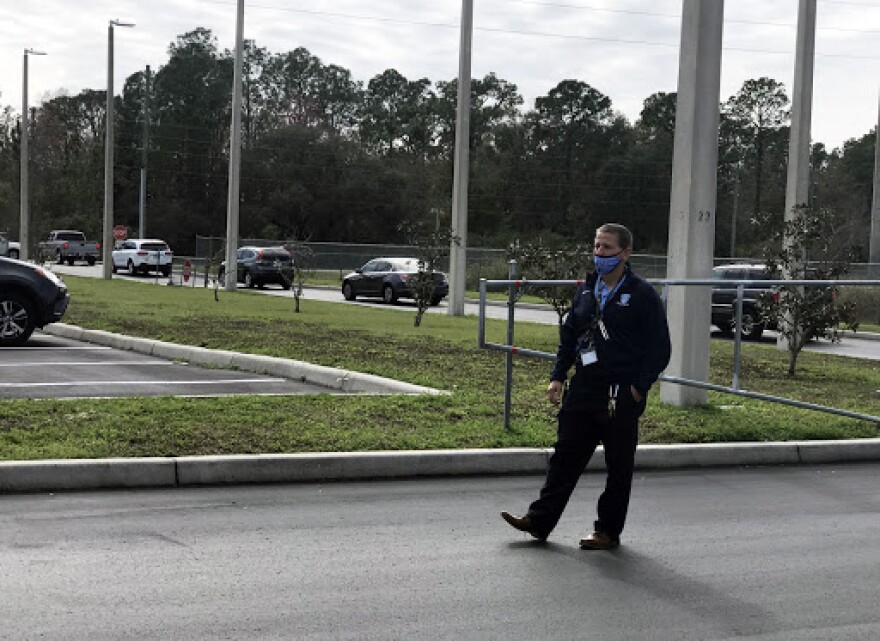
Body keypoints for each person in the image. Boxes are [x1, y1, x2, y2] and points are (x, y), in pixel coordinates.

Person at [501, 222, 671, 550]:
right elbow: (569, 338)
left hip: (620, 394)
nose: (599, 254)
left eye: (607, 248)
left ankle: (606, 531)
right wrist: (557, 376)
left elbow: (660, 349)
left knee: (618, 468)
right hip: (584, 388)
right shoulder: (586, 290)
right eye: (596, 247)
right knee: (565, 457)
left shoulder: (642, 295)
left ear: (626, 253)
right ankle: (539, 521)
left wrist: (639, 387)